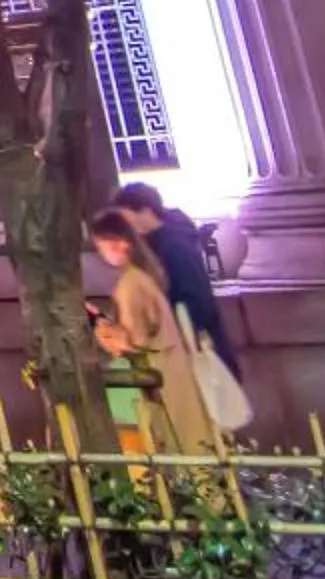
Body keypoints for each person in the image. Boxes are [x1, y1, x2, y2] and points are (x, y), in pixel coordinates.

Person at [90, 206, 217, 455]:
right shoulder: (145, 275)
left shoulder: (130, 285)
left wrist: (98, 326)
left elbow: (129, 343)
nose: (100, 252)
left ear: (117, 242)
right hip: (173, 372)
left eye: (101, 245)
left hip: (158, 380)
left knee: (174, 449)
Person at [110, 181, 237, 377]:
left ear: (145, 211)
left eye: (127, 218)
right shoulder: (166, 238)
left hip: (196, 346)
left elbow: (197, 300)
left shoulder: (173, 247)